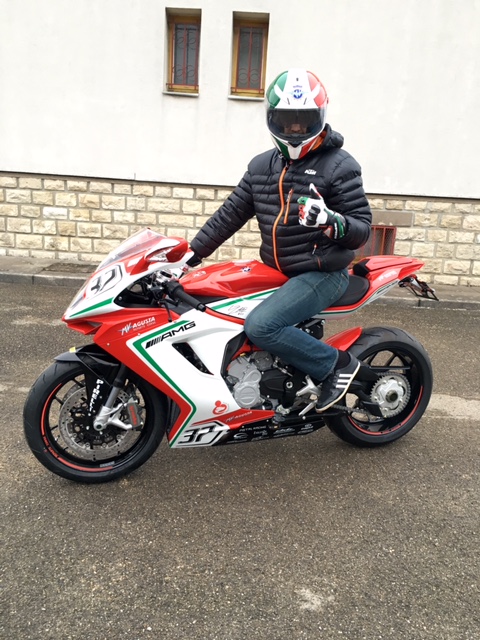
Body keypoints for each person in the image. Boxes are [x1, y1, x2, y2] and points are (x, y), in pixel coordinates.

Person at [187, 68, 372, 412]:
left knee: (262, 326)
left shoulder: (340, 166)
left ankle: (337, 366)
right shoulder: (261, 166)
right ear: (273, 119)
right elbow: (230, 215)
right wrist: (189, 255)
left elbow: (362, 229)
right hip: (277, 270)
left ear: (320, 118)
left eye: (304, 120)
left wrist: (332, 222)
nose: (296, 129)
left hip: (323, 272)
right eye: (287, 120)